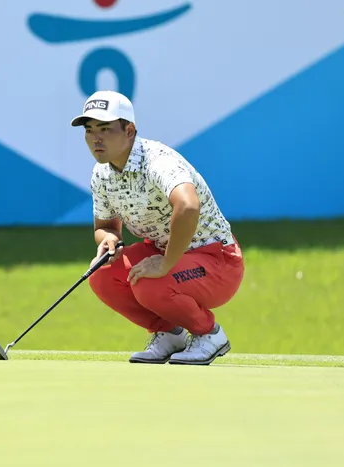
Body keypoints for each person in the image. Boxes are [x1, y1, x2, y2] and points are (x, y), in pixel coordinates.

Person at [70, 90, 245, 365]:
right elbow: (106, 226)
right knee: (102, 273)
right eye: (89, 130)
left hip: (217, 261)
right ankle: (170, 333)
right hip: (167, 254)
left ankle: (209, 334)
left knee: (149, 282)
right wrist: (108, 239)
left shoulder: (158, 161)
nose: (95, 138)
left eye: (104, 129)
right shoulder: (102, 173)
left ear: (129, 130)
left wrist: (165, 264)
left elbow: (188, 206)